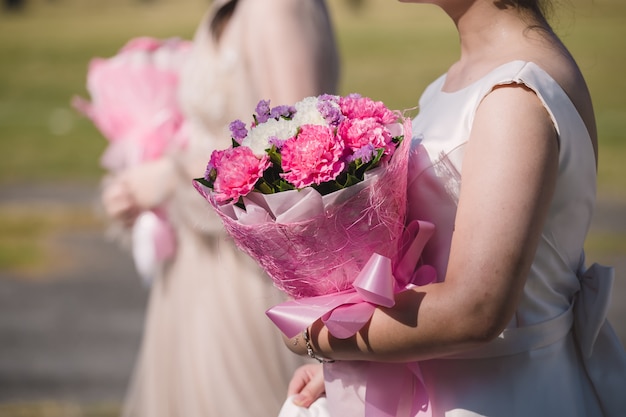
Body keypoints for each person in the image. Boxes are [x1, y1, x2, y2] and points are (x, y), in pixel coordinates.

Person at [282, 0, 626, 416]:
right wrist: (363, 366)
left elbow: (475, 309)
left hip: (498, 395)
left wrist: (318, 333)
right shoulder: (456, 81)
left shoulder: (515, 94)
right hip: (441, 382)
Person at [101, 1, 339, 416]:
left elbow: (296, 155)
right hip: (199, 267)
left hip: (246, 277)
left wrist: (170, 178)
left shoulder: (278, 7)